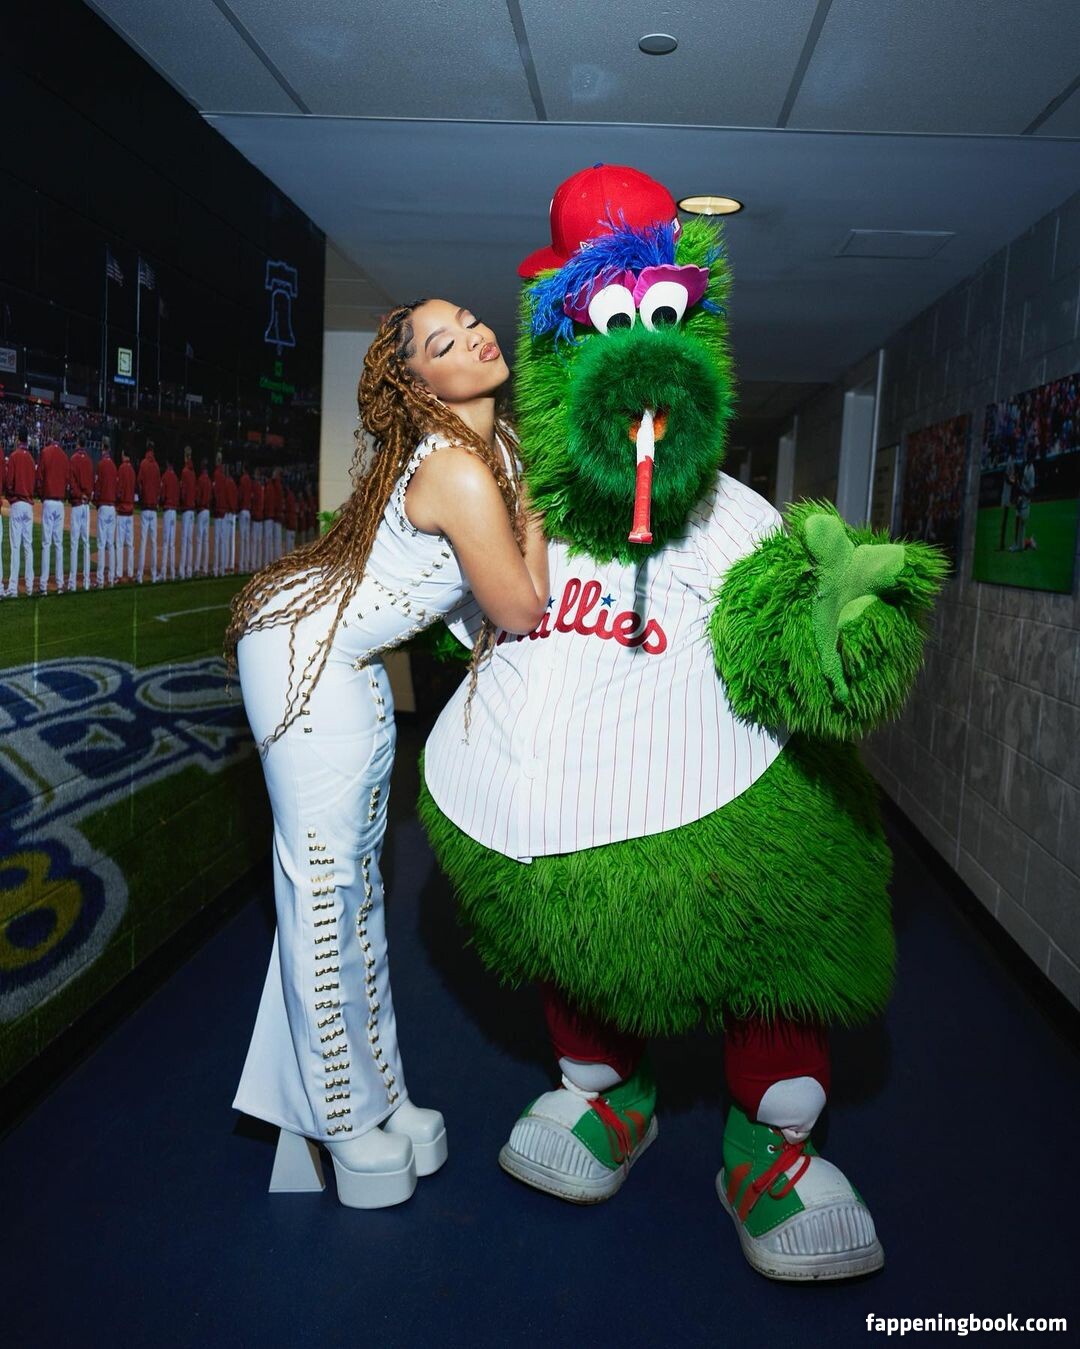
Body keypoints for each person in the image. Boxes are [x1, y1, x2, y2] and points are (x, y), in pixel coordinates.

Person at [226, 298, 548, 1209]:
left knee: (358, 886)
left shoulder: (496, 451)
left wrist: (532, 495)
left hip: (349, 656)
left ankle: (380, 1096)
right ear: (418, 384)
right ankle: (339, 1114)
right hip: (301, 648)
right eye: (444, 342)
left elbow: (510, 601)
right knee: (325, 889)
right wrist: (539, 503)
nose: (475, 335)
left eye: (470, 321)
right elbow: (522, 608)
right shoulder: (458, 469)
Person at [37, 438, 69, 594]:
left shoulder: (45, 452)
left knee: (46, 543)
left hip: (49, 501)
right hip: (60, 503)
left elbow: (39, 478)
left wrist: (41, 496)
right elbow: (67, 480)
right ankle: (60, 584)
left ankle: (43, 585)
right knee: (58, 544)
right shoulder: (64, 455)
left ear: (51, 438)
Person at [5, 431, 35, 596]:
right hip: (29, 506)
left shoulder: (14, 456)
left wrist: (11, 497)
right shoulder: (31, 458)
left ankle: (13, 588)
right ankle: (29, 587)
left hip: (17, 504)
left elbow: (9, 483)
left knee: (15, 546)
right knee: (28, 546)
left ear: (18, 439)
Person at [67, 435, 94, 592]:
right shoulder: (89, 461)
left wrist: (79, 494)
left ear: (78, 443)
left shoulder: (73, 459)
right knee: (86, 543)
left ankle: (72, 583)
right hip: (86, 506)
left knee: (74, 543)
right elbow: (91, 483)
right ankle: (86, 582)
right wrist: (87, 495)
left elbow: (72, 482)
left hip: (77, 505)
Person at [94, 438, 118, 588]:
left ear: (103, 447)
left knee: (101, 544)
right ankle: (112, 577)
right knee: (111, 544)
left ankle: (100, 580)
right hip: (112, 508)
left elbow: (97, 487)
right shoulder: (114, 466)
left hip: (103, 507)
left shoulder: (101, 464)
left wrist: (96, 501)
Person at [136, 440, 161, 583]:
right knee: (153, 543)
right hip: (154, 510)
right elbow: (159, 487)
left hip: (145, 508)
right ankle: (153, 574)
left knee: (143, 542)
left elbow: (139, 482)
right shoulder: (156, 466)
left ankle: (139, 575)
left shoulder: (143, 464)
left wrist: (142, 497)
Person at [115, 448, 136, 582]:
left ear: (124, 455)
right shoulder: (133, 470)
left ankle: (119, 574)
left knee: (119, 543)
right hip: (131, 512)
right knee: (130, 545)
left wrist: (117, 501)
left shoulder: (122, 468)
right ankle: (130, 573)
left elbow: (119, 489)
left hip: (122, 511)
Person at [160, 456, 180, 581]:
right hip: (174, 512)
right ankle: (172, 573)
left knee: (165, 542)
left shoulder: (166, 476)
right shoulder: (176, 477)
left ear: (167, 464)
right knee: (172, 544)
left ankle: (163, 573)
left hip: (168, 510)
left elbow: (162, 495)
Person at [178, 446, 196, 580]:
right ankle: (189, 571)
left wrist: (181, 502)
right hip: (192, 510)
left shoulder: (184, 472)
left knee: (184, 541)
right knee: (190, 541)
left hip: (185, 509)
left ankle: (182, 571)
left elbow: (183, 492)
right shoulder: (193, 472)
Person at [194, 459, 211, 575]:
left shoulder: (200, 479)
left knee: (199, 540)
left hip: (201, 511)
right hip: (207, 511)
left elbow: (198, 496)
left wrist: (197, 505)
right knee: (206, 540)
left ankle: (196, 568)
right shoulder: (209, 480)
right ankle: (204, 568)